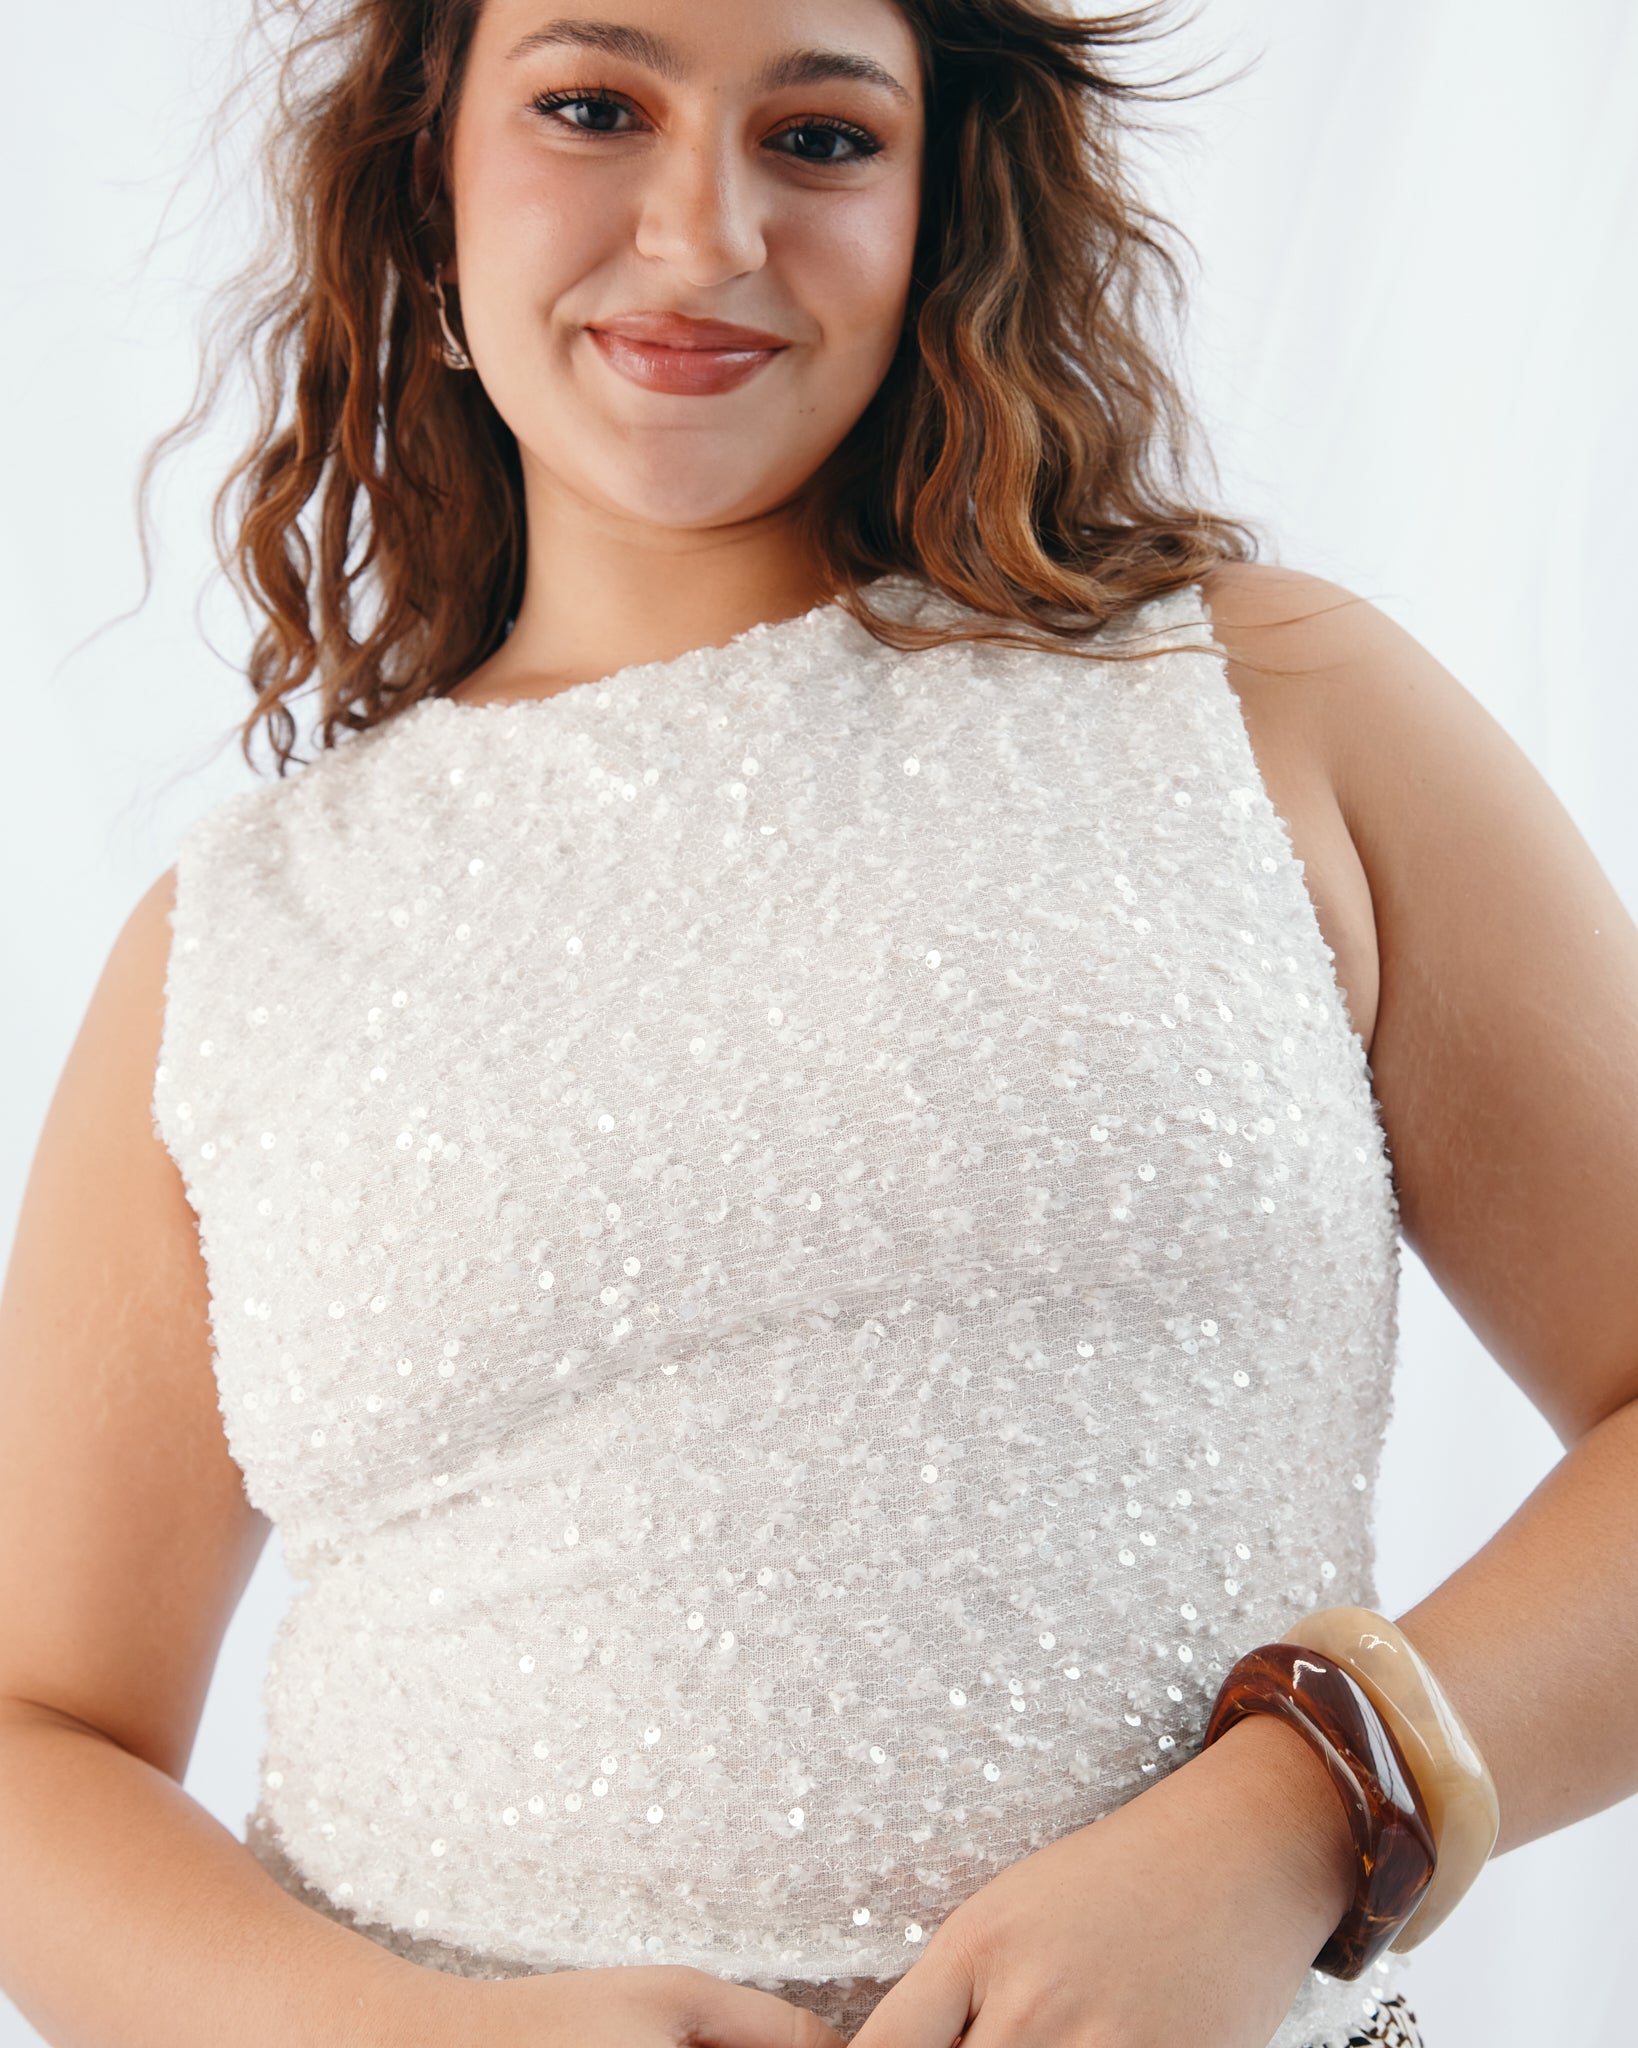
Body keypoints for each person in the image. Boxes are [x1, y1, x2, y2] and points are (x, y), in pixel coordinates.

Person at [2, 1, 1635, 2044]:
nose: (703, 235)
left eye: (824, 135)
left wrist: (1308, 1811)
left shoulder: (1259, 708)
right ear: (427, 189)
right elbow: (36, 1738)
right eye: (591, 107)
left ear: (946, 201)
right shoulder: (235, 939)